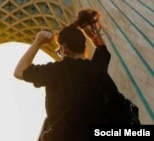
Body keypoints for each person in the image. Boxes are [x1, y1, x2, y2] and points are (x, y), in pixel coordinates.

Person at [13, 8, 109, 141]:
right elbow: (103, 51)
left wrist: (37, 42)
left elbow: (19, 72)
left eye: (59, 51)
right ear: (84, 47)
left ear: (63, 48)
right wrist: (91, 34)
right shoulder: (97, 69)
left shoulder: (57, 71)